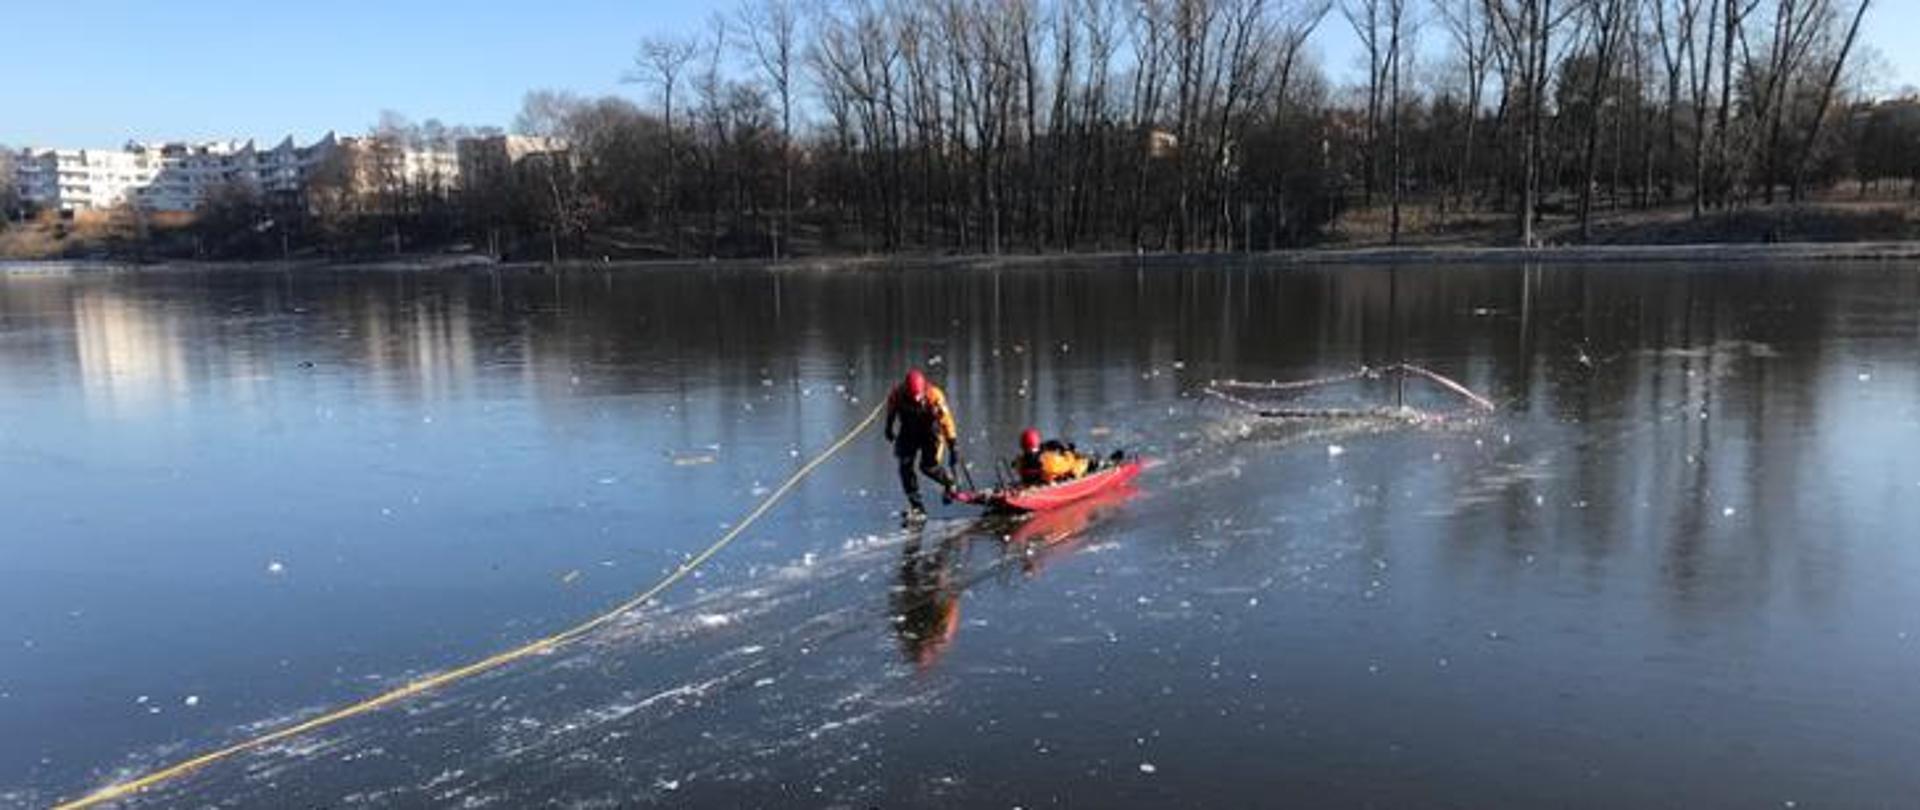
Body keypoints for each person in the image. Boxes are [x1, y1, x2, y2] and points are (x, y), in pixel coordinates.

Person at [884, 368, 960, 520]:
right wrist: (889, 427)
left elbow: (947, 422)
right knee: (905, 467)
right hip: (908, 431)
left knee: (928, 467)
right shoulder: (897, 394)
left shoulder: (935, 396)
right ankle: (917, 507)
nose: (916, 401)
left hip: (930, 433)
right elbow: (891, 411)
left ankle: (949, 482)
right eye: (912, 399)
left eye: (918, 398)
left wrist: (953, 446)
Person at [1011, 427, 1091, 486]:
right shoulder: (1049, 461)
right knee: (1079, 463)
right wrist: (1068, 452)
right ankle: (1090, 465)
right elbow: (1067, 464)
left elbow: (1015, 465)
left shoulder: (1020, 461)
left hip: (1029, 482)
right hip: (1049, 482)